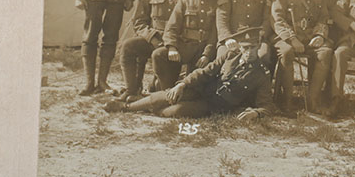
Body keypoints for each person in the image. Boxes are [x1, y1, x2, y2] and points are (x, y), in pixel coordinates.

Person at [117, 27, 274, 121]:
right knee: (169, 95)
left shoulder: (262, 74)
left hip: (214, 105)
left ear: (259, 47)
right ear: (240, 48)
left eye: (253, 48)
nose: (249, 52)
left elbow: (266, 106)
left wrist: (255, 114)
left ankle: (148, 106)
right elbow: (204, 72)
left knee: (175, 111)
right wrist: (182, 84)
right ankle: (126, 107)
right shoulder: (230, 56)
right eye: (245, 48)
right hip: (202, 89)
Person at [119, 0, 191, 101]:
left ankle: (164, 94)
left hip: (175, 46)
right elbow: (139, 21)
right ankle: (132, 90)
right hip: (154, 40)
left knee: (162, 84)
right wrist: (153, 39)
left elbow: (191, 25)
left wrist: (171, 44)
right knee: (128, 46)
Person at [271, 0, 335, 116]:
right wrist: (292, 39)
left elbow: (324, 18)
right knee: (286, 52)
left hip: (310, 38)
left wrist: (320, 35)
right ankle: (286, 101)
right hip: (288, 37)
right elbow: (277, 18)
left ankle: (312, 101)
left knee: (326, 52)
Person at [153, 0, 219, 90]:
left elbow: (214, 35)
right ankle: (165, 88)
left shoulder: (216, 5)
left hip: (202, 50)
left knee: (193, 87)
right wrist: (172, 47)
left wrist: (207, 54)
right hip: (184, 47)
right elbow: (171, 27)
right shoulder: (185, 1)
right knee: (158, 54)